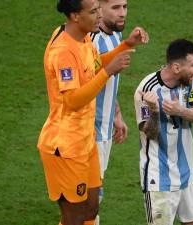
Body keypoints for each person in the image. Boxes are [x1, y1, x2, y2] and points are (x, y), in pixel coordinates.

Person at [37, 0, 148, 224]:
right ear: (75, 16)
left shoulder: (84, 37)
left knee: (91, 208)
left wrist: (125, 44)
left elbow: (95, 65)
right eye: (93, 11)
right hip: (66, 147)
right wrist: (108, 72)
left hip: (86, 141)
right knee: (74, 216)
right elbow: (72, 100)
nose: (100, 15)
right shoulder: (63, 52)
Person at [134, 39, 193, 225]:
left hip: (189, 172)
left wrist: (179, 111)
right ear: (176, 67)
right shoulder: (147, 89)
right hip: (160, 178)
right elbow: (148, 133)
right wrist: (153, 111)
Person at [89, 1, 131, 223]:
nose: (122, 13)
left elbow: (107, 84)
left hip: (105, 132)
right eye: (115, 7)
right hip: (89, 134)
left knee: (94, 199)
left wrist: (116, 114)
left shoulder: (115, 37)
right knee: (87, 203)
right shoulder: (91, 42)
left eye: (125, 6)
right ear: (98, 8)